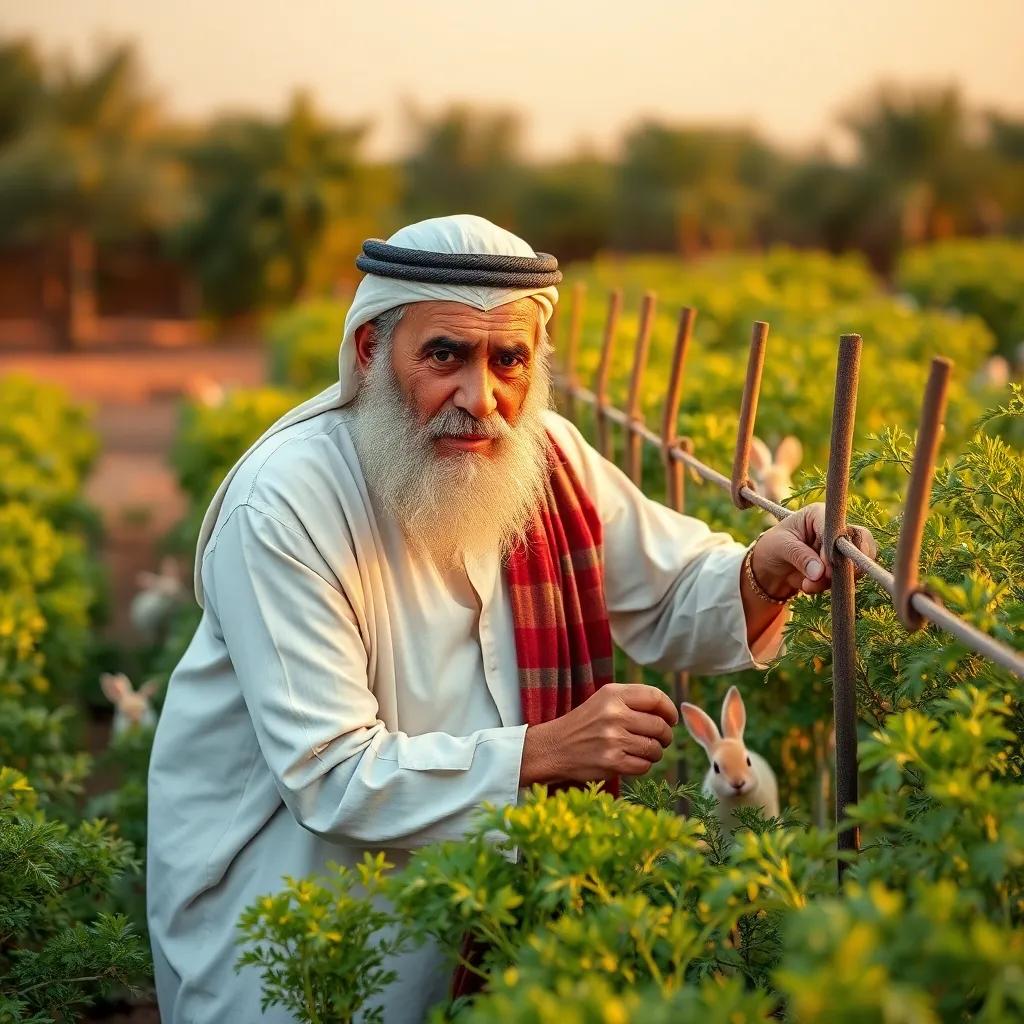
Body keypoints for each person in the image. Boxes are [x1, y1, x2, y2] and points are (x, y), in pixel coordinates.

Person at [147, 214, 875, 1023]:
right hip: (300, 938)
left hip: (491, 917)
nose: (478, 396)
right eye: (444, 355)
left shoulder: (548, 459)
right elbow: (329, 774)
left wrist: (762, 568)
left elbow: (668, 591)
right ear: (368, 352)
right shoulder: (288, 502)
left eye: (508, 360)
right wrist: (543, 753)